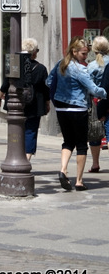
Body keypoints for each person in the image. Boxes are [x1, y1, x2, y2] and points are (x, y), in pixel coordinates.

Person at [47, 37, 106, 191]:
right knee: (81, 145)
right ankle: (79, 181)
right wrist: (105, 93)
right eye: (83, 53)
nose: (85, 57)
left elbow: (48, 81)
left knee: (67, 142)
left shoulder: (60, 64)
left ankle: (63, 170)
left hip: (61, 109)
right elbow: (93, 89)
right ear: (74, 52)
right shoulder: (80, 69)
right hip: (78, 109)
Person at [0, 38, 50, 159]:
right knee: (31, 131)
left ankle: (17, 155)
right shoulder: (41, 68)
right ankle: (27, 158)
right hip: (34, 104)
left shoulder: (15, 65)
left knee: (17, 130)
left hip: (16, 103)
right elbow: (46, 88)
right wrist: (47, 103)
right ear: (34, 53)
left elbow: (6, 83)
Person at [86, 35, 109, 172]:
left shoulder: (91, 66)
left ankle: (95, 163)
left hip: (95, 102)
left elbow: (88, 85)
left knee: (94, 132)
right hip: (108, 101)